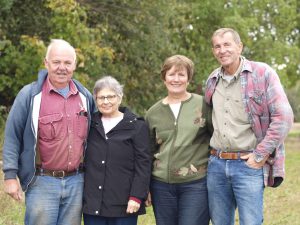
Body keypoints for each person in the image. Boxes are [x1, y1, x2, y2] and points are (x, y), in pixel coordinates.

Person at [204, 28, 294, 225]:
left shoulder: (262, 73)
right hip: (216, 164)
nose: (222, 50)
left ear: (239, 46)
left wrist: (260, 155)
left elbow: (284, 117)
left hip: (247, 165)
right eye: (217, 46)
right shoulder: (212, 80)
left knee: (251, 222)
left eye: (227, 44)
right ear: (213, 51)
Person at [2, 39, 95, 225]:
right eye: (56, 62)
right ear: (46, 63)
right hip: (42, 182)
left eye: (68, 63)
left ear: (74, 65)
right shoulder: (29, 96)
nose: (62, 68)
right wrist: (10, 176)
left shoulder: (85, 97)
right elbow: (12, 137)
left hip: (77, 182)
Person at [145, 55, 212, 225]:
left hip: (196, 184)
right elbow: (147, 152)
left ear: (189, 78)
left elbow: (217, 138)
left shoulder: (203, 105)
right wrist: (145, 186)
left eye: (181, 75)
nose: (176, 79)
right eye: (171, 74)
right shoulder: (153, 113)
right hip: (161, 186)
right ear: (164, 77)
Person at [83, 76, 151, 225]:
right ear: (95, 100)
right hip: (93, 203)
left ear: (120, 97)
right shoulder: (89, 124)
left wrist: (136, 196)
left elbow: (143, 165)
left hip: (124, 204)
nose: (106, 101)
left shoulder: (136, 126)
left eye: (111, 96)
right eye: (101, 97)